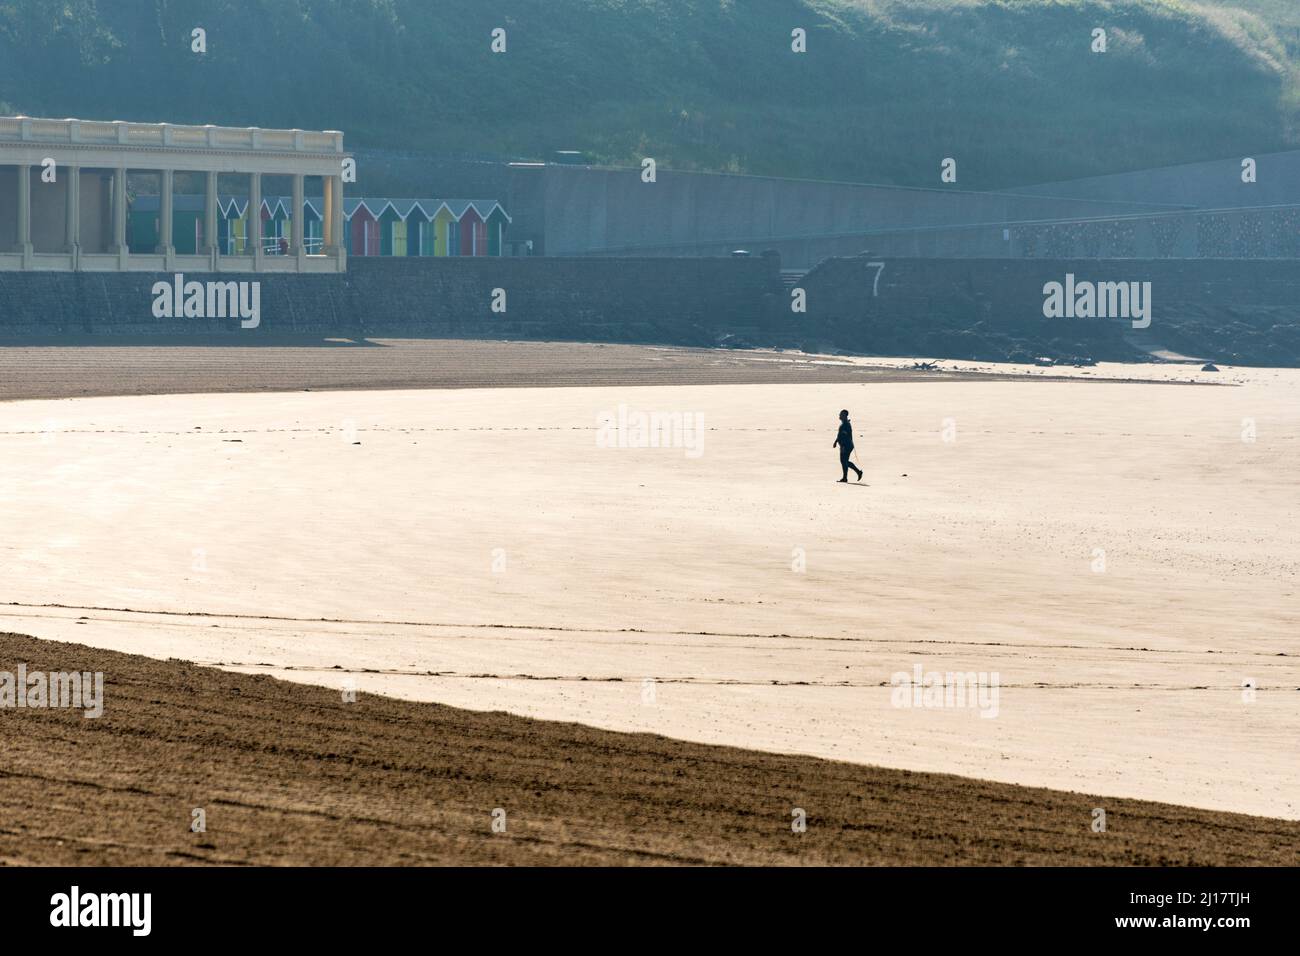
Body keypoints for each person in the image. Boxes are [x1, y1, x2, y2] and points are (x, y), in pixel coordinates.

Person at [833, 409, 863, 482]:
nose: (839, 415)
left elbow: (845, 437)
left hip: (846, 445)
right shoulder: (844, 423)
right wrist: (836, 441)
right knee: (844, 461)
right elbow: (840, 435)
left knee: (844, 461)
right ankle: (855, 473)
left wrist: (843, 446)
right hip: (846, 445)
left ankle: (848, 476)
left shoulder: (845, 424)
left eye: (841, 414)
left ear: (844, 416)